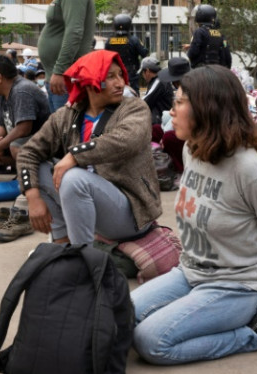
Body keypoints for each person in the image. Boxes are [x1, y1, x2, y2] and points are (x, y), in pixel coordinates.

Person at [131, 64, 257, 365]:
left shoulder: (250, 169)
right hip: (191, 271)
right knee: (121, 316)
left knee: (150, 341)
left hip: (238, 284)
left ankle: (252, 331)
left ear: (207, 109)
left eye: (180, 102)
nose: (171, 111)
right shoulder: (191, 150)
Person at [15, 49, 162, 245]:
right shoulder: (66, 116)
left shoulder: (133, 107)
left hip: (130, 213)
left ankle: (83, 257)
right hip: (83, 203)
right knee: (41, 167)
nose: (120, 83)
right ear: (91, 82)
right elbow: (28, 153)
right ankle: (62, 241)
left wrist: (74, 155)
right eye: (110, 77)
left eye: (120, 75)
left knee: (73, 178)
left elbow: (127, 139)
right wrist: (32, 197)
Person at [0, 55, 51, 242]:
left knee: (14, 146)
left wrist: (1, 144)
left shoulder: (22, 91)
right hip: (22, 142)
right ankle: (18, 205)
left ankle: (25, 211)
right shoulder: (2, 93)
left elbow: (25, 127)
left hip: (44, 145)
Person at [38, 0, 96, 113]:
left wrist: (60, 71)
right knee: (58, 132)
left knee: (65, 134)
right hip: (60, 79)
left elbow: (74, 32)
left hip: (65, 79)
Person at [151, 57, 192, 173]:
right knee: (155, 130)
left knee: (169, 137)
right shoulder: (179, 91)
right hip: (176, 126)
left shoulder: (193, 93)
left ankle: (179, 170)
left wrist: (165, 136)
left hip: (190, 133)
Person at [105, 14, 148, 94]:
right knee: (134, 94)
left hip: (114, 73)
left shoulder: (109, 41)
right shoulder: (134, 40)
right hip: (130, 74)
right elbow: (144, 53)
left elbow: (105, 57)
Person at [187, 4, 232, 69]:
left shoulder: (199, 32)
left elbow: (193, 52)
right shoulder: (220, 35)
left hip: (201, 70)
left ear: (200, 16)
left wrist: (189, 52)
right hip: (218, 69)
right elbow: (227, 54)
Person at [140, 56, 172, 125]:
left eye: (143, 72)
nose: (143, 75)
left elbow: (145, 101)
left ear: (147, 71)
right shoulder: (160, 79)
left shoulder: (158, 81)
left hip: (160, 122)